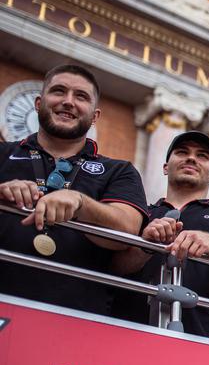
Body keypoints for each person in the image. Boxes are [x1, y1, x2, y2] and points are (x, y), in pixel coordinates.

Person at [0, 64, 147, 314]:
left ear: (94, 116)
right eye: (59, 91)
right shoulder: (4, 153)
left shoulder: (119, 171)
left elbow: (128, 229)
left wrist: (81, 203)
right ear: (39, 103)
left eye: (81, 96)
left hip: (77, 318)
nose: (68, 102)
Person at [110, 131, 209, 338]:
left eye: (202, 156)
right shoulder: (139, 213)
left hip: (198, 338)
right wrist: (145, 245)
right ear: (166, 167)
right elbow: (116, 266)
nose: (191, 158)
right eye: (182, 152)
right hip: (124, 331)